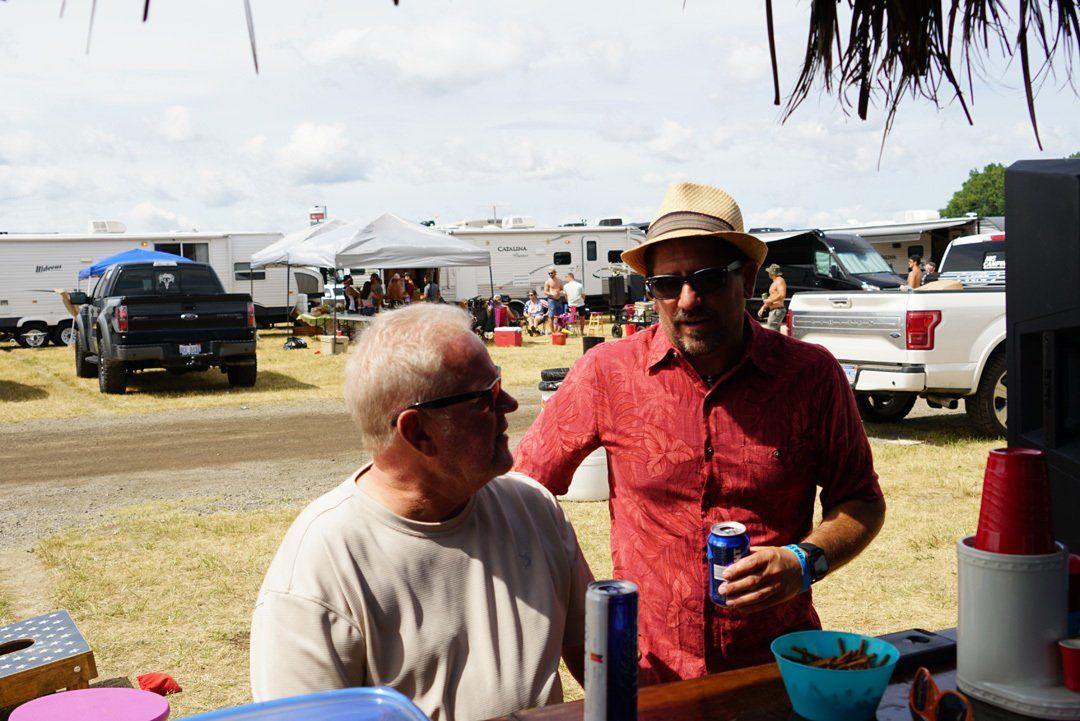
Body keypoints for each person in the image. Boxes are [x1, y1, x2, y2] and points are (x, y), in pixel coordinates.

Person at [514, 181, 885, 684]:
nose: (688, 299)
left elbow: (861, 501)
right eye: (666, 284)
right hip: (647, 670)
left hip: (773, 667)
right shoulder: (607, 373)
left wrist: (804, 561)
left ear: (749, 276)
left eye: (708, 278)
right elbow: (522, 493)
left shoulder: (809, 376)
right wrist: (584, 614)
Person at [250, 304, 592, 721]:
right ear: (417, 431)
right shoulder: (321, 569)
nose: (510, 404)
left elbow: (602, 663)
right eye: (486, 397)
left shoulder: (533, 508)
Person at [756, 263, 788, 331]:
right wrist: (763, 307)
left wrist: (769, 301)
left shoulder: (780, 280)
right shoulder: (774, 282)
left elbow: (782, 294)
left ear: (772, 273)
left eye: (769, 272)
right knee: (774, 332)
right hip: (775, 310)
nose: (768, 274)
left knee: (771, 331)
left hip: (777, 310)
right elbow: (771, 297)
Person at [542, 267, 564, 334]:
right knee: (551, 316)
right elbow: (545, 292)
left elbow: (562, 289)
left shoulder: (559, 281)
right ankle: (552, 332)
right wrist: (552, 294)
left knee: (560, 316)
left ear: (555, 273)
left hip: (559, 299)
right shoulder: (548, 281)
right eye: (549, 273)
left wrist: (560, 292)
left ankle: (558, 330)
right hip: (551, 300)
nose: (550, 274)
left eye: (551, 273)